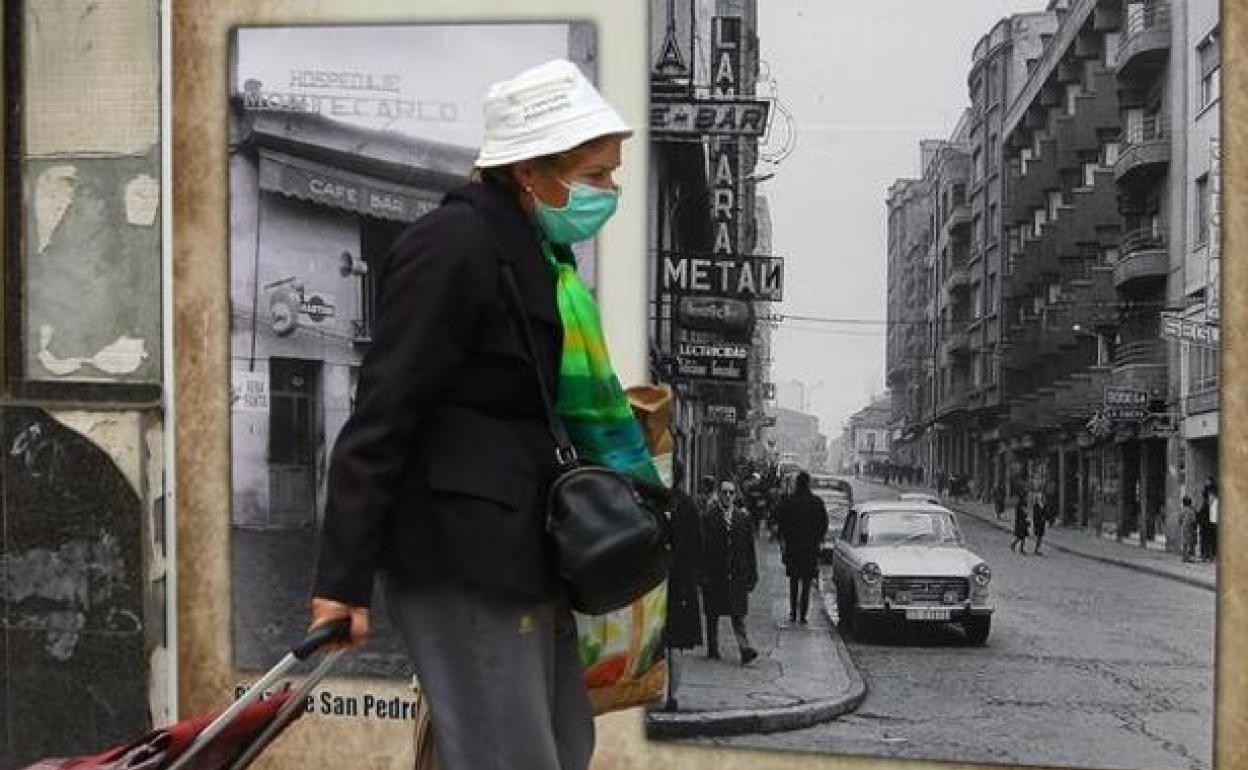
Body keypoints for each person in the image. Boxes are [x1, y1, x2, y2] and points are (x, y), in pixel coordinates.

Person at [307, 59, 637, 770]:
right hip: (463, 557)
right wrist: (342, 583)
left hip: (519, 553)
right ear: (528, 171)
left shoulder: (539, 255)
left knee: (557, 743)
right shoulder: (454, 245)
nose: (611, 190)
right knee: (512, 757)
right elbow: (384, 412)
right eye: (596, 174)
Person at [701, 479, 759, 665]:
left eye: (731, 493)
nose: (727, 496)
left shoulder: (742, 519)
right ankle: (712, 648)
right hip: (715, 572)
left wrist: (752, 574)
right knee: (713, 612)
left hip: (736, 574)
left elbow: (750, 549)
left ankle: (745, 648)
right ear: (719, 494)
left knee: (738, 613)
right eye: (724, 492)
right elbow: (702, 546)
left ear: (735, 495)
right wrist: (701, 574)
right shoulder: (709, 517)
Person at [662, 459, 705, 712]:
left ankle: (665, 694)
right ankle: (672, 695)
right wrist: (696, 581)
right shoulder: (687, 505)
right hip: (680, 583)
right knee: (675, 643)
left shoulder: (653, 501)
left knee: (662, 643)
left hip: (660, 581)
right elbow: (697, 546)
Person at [776, 471, 829, 625]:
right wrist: (818, 541)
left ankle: (793, 612)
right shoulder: (817, 503)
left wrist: (784, 542)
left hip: (793, 547)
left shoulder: (789, 502)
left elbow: (781, 523)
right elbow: (823, 525)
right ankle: (803, 615)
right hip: (810, 549)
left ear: (798, 484)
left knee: (793, 581)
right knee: (806, 582)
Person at [1198, 477, 1218, 561]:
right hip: (1207, 524)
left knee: (1210, 538)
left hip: (1209, 524)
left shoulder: (1211, 506)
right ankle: (1207, 555)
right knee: (1208, 538)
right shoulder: (1206, 506)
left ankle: (1208, 555)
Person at [1180, 495, 1199, 563]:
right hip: (1190, 528)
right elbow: (1194, 521)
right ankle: (1190, 557)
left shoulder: (1182, 510)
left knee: (1185, 543)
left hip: (1184, 528)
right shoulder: (1191, 511)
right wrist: (1195, 528)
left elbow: (1180, 520)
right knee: (1191, 543)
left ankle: (1184, 557)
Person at [1031, 487, 1047, 555]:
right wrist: (1040, 519)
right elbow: (1035, 515)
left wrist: (1044, 518)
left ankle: (1037, 549)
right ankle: (1036, 550)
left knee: (1040, 536)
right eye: (1041, 498)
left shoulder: (1042, 505)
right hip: (1038, 523)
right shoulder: (1036, 506)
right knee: (1038, 536)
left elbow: (1044, 513)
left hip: (1041, 523)